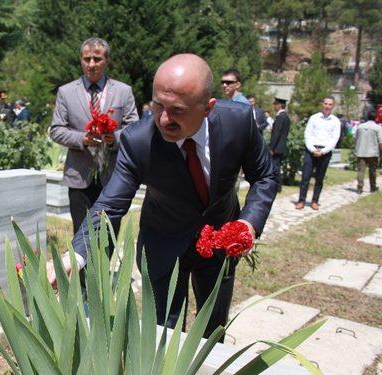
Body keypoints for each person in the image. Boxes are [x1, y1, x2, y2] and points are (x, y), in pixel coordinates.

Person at [49, 53, 277, 339]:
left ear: (207, 108)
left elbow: (265, 176)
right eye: (158, 105)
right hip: (164, 243)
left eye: (177, 110)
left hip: (220, 241)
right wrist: (76, 256)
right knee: (162, 332)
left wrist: (248, 223)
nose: (163, 119)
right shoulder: (137, 140)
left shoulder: (238, 123)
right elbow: (109, 205)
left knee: (213, 328)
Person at [50, 37, 138, 235]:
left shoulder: (123, 91)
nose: (91, 64)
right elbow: (56, 129)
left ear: (107, 60)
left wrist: (115, 138)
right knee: (81, 235)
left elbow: (134, 127)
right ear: (80, 60)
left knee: (109, 234)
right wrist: (82, 139)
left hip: (114, 177)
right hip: (80, 176)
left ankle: (105, 267)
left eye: (97, 59)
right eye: (86, 59)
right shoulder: (66, 92)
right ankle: (83, 268)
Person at [295, 96, 341, 210]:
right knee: (305, 177)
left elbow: (335, 138)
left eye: (330, 104)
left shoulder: (335, 121)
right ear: (322, 104)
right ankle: (301, 200)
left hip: (325, 152)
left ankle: (315, 201)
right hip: (311, 150)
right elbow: (307, 134)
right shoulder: (314, 118)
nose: (327, 106)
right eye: (325, 103)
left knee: (319, 179)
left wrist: (323, 151)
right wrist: (312, 149)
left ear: (333, 106)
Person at [354, 109, 382, 193]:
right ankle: (372, 187)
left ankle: (359, 188)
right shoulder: (378, 127)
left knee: (361, 171)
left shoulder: (360, 126)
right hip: (373, 152)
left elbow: (356, 138)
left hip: (361, 151)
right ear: (375, 117)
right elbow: (380, 141)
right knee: (372, 171)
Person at [269, 97, 291, 192]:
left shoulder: (280, 117)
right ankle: (277, 186)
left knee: (275, 167)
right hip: (281, 146)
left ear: (279, 105)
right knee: (277, 166)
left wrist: (271, 148)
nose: (274, 106)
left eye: (275, 104)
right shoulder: (286, 116)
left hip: (277, 147)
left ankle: (277, 186)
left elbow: (276, 134)